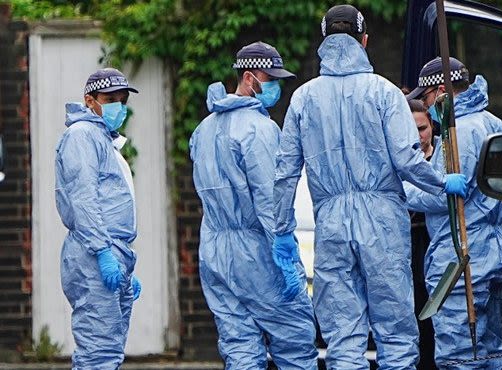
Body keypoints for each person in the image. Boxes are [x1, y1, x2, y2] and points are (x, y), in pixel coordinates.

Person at [272, 5, 467, 369]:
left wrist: (282, 230)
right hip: (382, 222)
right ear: (364, 41)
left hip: (330, 223)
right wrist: (443, 183)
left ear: (325, 43)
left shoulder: (303, 98)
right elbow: (407, 162)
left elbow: (285, 172)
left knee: (343, 333)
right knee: (394, 331)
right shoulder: (385, 93)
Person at [189, 41, 318, 369]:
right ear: (248, 77)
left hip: (215, 249)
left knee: (239, 343)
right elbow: (269, 198)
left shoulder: (203, 130)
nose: (275, 86)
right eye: (269, 78)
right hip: (255, 251)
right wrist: (285, 250)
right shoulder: (259, 129)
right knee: (294, 336)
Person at [405, 57, 502, 369]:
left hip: (463, 261)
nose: (428, 108)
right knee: (493, 352)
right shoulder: (492, 122)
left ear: (441, 91)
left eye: (427, 99)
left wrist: (404, 192)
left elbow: (444, 197)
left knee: (460, 357)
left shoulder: (459, 131)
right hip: (495, 255)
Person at [55, 68, 142, 369]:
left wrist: (123, 263)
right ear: (89, 101)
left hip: (109, 254)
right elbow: (84, 199)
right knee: (99, 354)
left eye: (122, 99)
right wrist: (103, 252)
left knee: (108, 351)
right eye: (110, 99)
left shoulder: (102, 139)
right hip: (94, 256)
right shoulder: (82, 136)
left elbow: (109, 202)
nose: (118, 106)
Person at [407, 99, 438, 370]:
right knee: (416, 313)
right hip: (409, 242)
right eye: (413, 130)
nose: (419, 136)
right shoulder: (402, 159)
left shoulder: (442, 154)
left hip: (435, 240)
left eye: (423, 128)